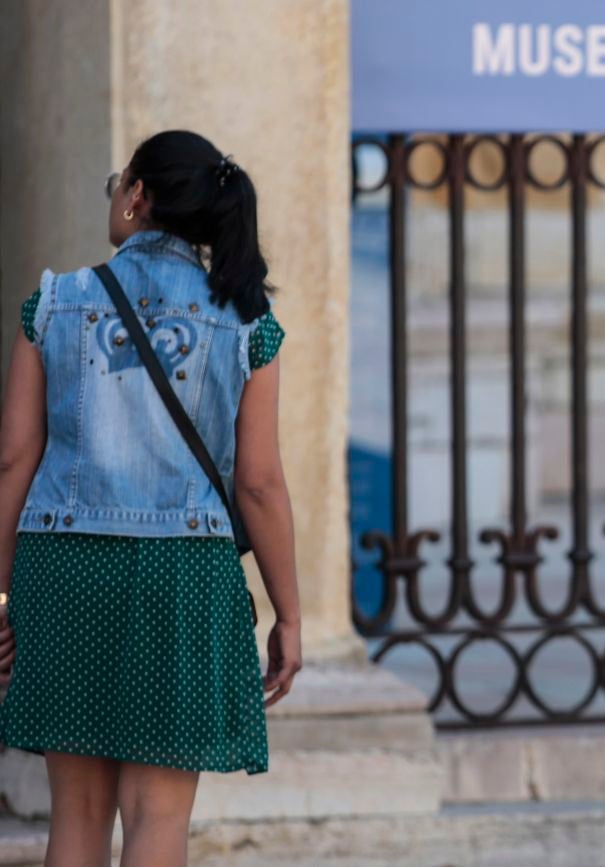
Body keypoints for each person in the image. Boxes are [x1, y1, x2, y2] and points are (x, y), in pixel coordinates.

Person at [0, 130, 303, 866]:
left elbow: (13, 458)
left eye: (118, 180)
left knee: (73, 815)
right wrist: (289, 613)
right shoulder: (247, 323)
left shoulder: (55, 302)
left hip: (65, 570)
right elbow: (258, 482)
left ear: (138, 196)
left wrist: (1, 597)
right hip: (183, 580)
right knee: (158, 817)